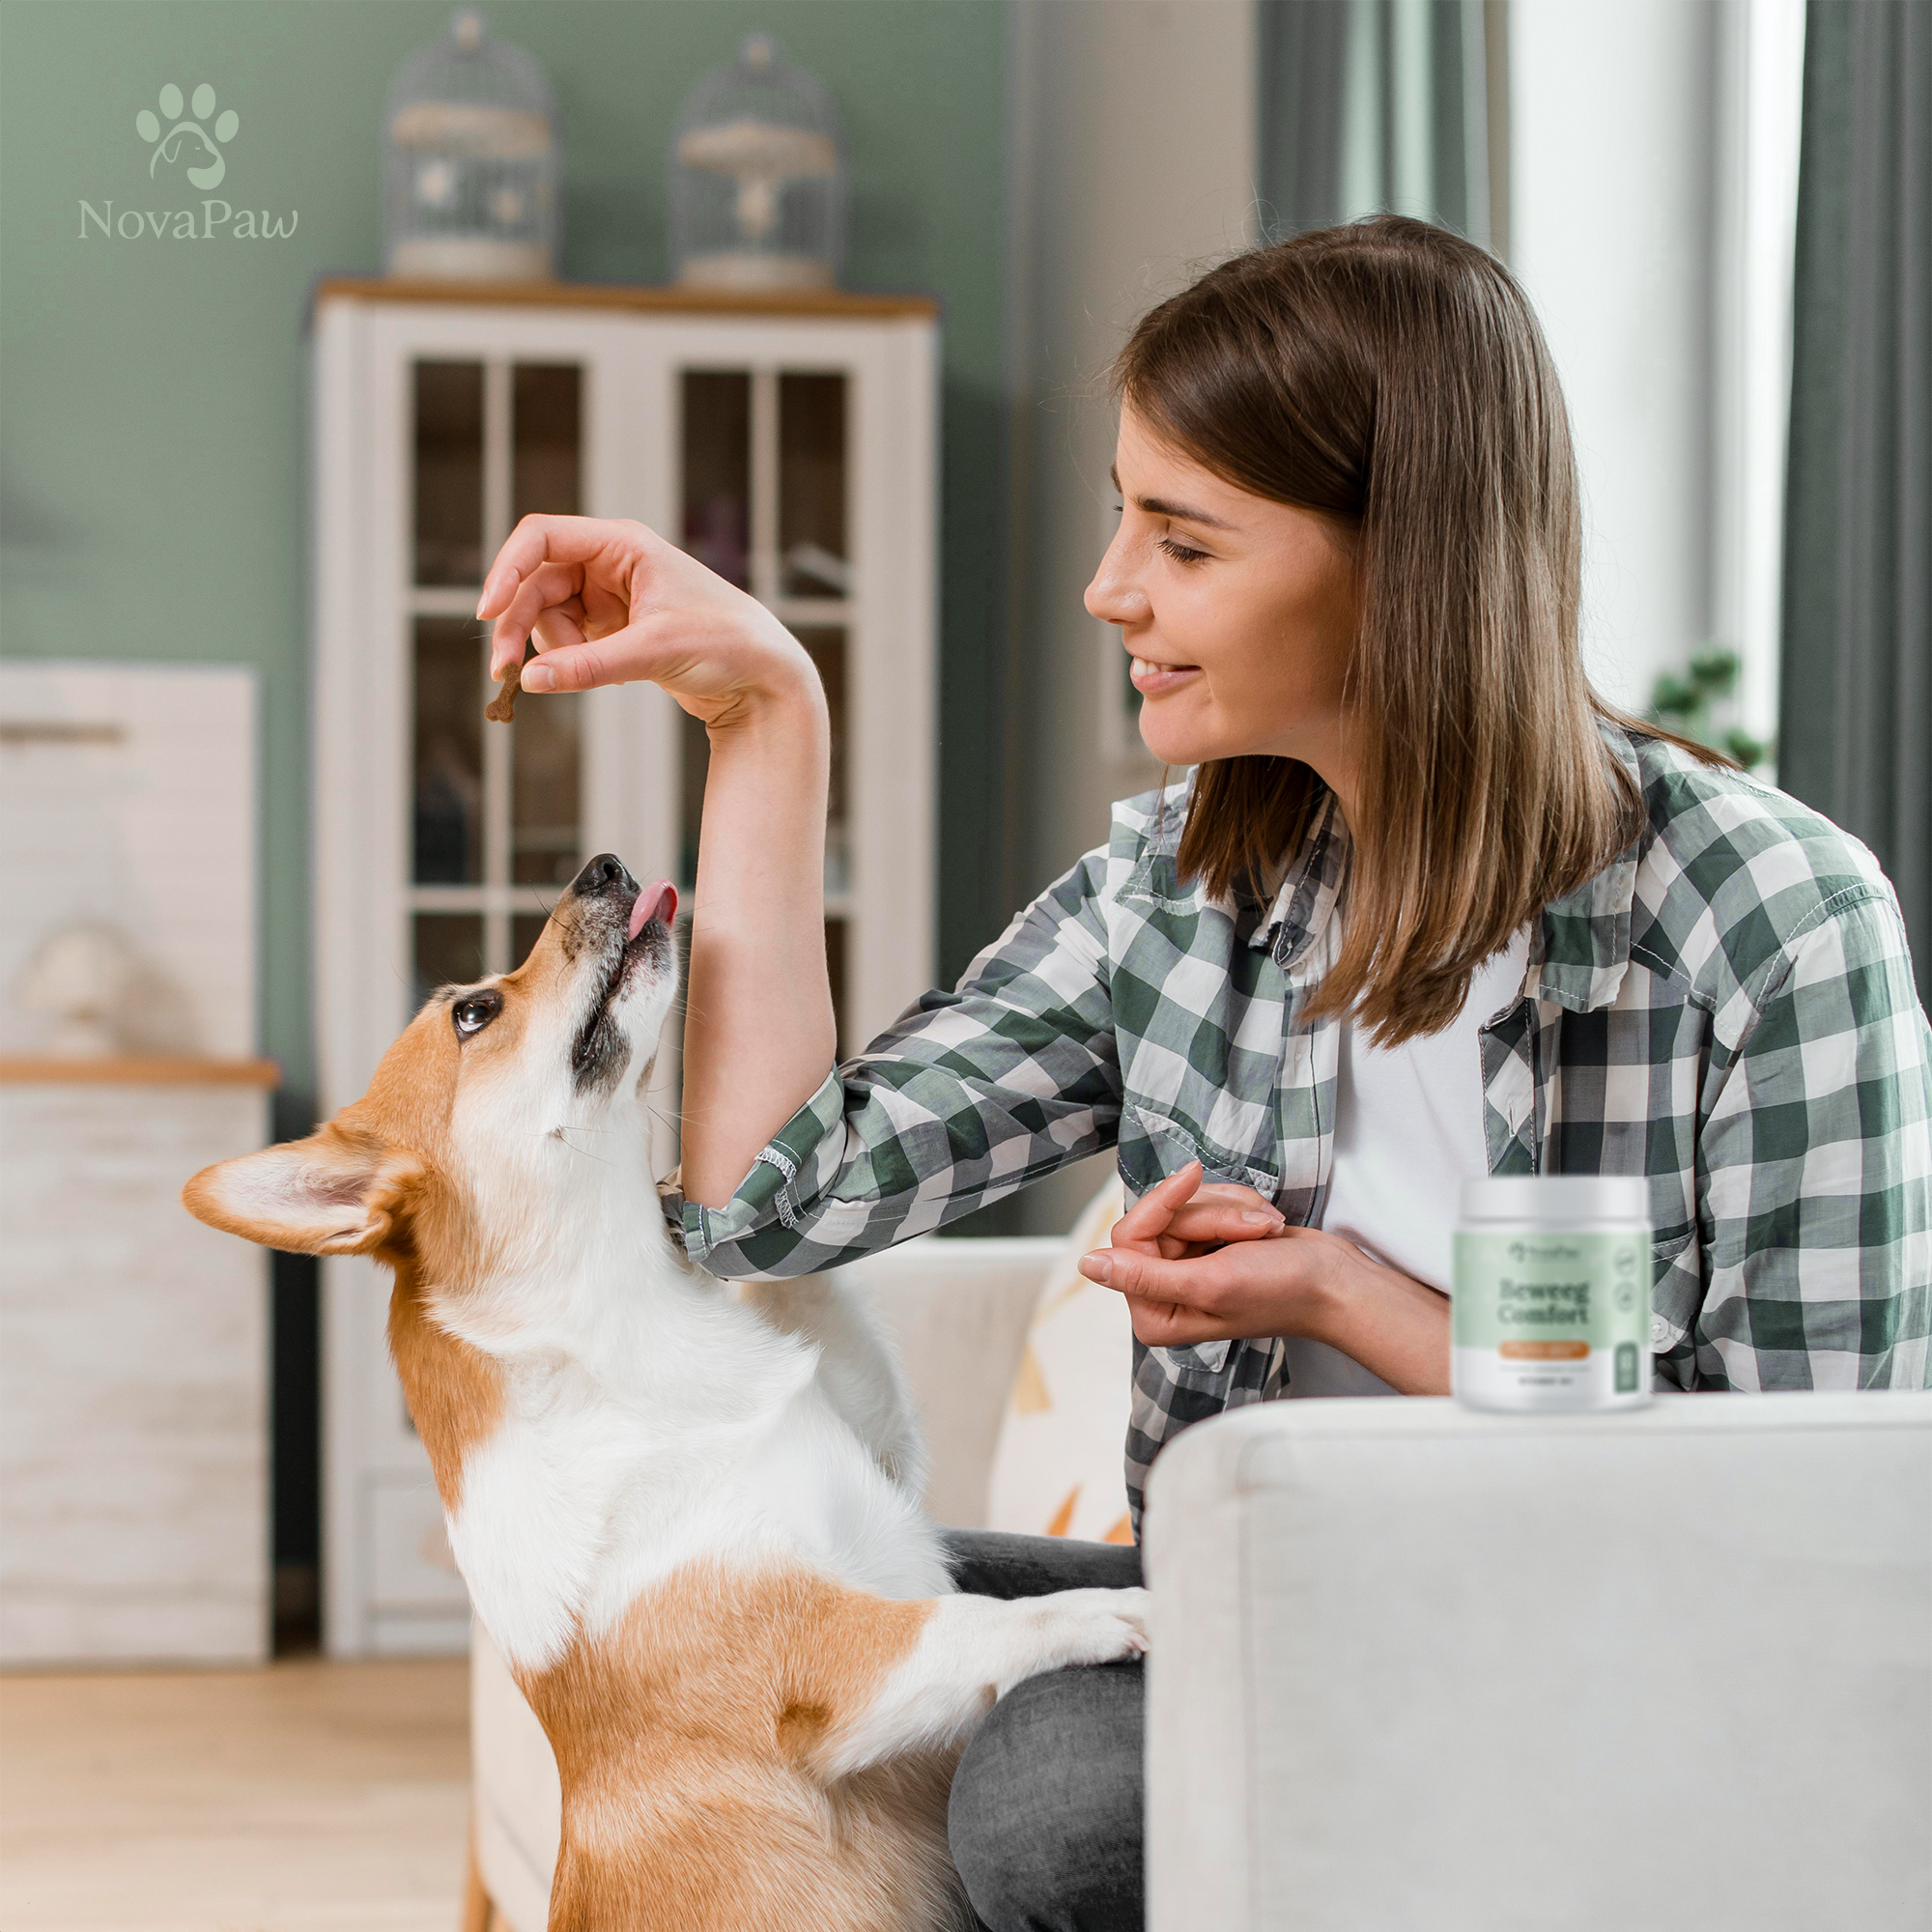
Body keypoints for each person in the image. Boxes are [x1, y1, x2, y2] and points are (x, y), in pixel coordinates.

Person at [474, 216, 1932, 1932]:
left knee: (1070, 1827)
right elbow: (777, 1199)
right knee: (702, 1626)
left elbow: (1822, 1519)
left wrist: (1339, 1291)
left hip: (1605, 1643)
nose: (1111, 586)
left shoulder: (1768, 923)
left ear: (1406, 563)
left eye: (1181, 537)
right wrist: (764, 714)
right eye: (1123, 514)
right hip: (1264, 1596)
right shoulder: (1184, 890)